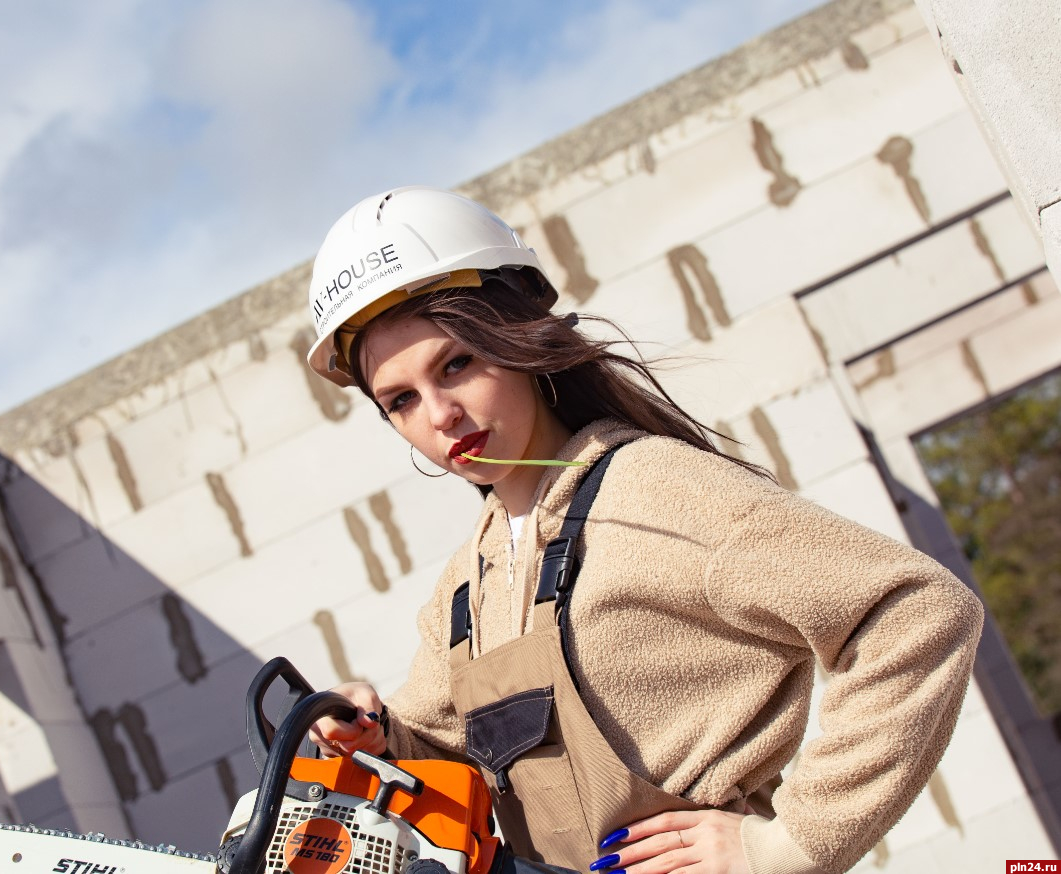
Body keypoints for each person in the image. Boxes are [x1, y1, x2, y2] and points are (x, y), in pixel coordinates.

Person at [304, 186, 983, 874]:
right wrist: (371, 735)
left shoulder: (652, 488)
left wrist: (789, 847)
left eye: (456, 363)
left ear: (515, 337)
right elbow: (452, 766)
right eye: (400, 400)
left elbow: (914, 611)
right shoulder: (464, 585)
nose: (439, 414)